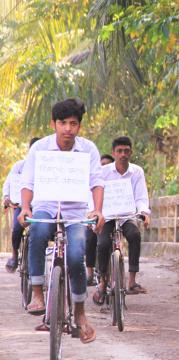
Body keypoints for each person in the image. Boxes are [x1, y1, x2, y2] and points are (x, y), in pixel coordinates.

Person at [18, 98, 105, 344]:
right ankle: (37, 293)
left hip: (76, 210)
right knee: (37, 230)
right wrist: (25, 207)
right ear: (53, 124)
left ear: (79, 126)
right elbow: (28, 181)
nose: (68, 128)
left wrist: (98, 210)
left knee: (77, 255)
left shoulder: (88, 149)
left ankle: (80, 313)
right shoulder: (40, 148)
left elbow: (97, 181)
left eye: (73, 123)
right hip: (46, 205)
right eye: (63, 123)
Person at [93, 136, 151, 304]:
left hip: (126, 215)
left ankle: (132, 280)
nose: (123, 154)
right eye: (119, 151)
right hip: (107, 215)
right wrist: (95, 212)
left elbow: (141, 197)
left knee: (134, 235)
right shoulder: (103, 172)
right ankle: (103, 282)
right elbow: (94, 192)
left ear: (131, 152)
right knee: (103, 244)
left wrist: (143, 212)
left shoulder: (137, 172)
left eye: (126, 151)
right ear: (114, 153)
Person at [3, 137, 40, 273]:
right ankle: (14, 254)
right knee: (17, 228)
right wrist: (7, 196)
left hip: (39, 206)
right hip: (21, 204)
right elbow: (9, 182)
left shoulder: (47, 168)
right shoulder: (20, 166)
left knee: (41, 230)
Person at [85, 154, 114, 286]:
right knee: (90, 237)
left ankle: (109, 273)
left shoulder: (115, 182)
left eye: (107, 165)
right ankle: (89, 272)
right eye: (101, 165)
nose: (104, 168)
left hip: (111, 217)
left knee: (106, 241)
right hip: (93, 217)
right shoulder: (92, 181)